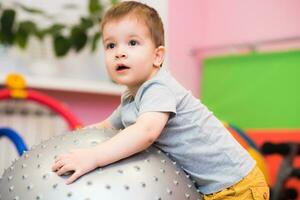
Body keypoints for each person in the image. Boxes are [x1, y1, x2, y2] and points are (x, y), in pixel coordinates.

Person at [52, 1, 269, 199]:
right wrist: (73, 142)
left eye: (132, 43)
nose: (120, 52)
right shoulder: (131, 96)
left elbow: (145, 133)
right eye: (111, 45)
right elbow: (106, 127)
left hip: (237, 185)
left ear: (157, 56)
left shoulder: (159, 88)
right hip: (212, 188)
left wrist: (94, 157)